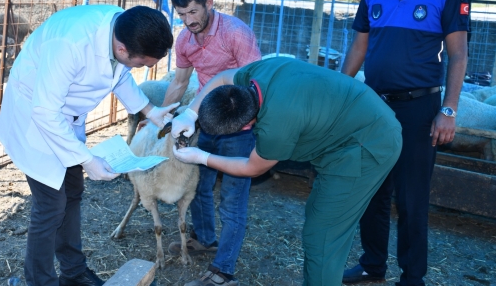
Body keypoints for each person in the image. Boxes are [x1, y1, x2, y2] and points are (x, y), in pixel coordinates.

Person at [170, 57, 403, 286]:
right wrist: (190, 113)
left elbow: (252, 167)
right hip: (356, 123)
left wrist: (203, 157)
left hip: (367, 144)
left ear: (245, 127)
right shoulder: (260, 73)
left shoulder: (276, 127)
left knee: (322, 236)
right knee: (319, 215)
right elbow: (221, 78)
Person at [0, 4, 179, 286]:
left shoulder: (124, 27)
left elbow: (121, 76)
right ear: (121, 49)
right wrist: (87, 159)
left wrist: (150, 110)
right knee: (51, 204)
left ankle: (73, 272)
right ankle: (40, 281)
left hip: (64, 118)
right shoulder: (70, 43)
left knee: (72, 191)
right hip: (35, 117)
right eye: (141, 63)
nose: (140, 68)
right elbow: (45, 112)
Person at [340, 0, 469, 286]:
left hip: (418, 107)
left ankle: (412, 276)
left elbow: (458, 54)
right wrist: (338, 91)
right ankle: (372, 265)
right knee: (371, 188)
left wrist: (448, 108)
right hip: (374, 104)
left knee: (412, 198)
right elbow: (360, 45)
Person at [161, 0, 261, 286]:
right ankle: (204, 239)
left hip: (240, 127)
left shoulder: (235, 33)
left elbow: (256, 84)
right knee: (198, 186)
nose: (189, 20)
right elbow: (179, 83)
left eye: (193, 11)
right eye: (181, 14)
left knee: (232, 199)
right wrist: (160, 117)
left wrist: (249, 125)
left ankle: (222, 271)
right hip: (203, 122)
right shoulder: (184, 40)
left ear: (209, 4)